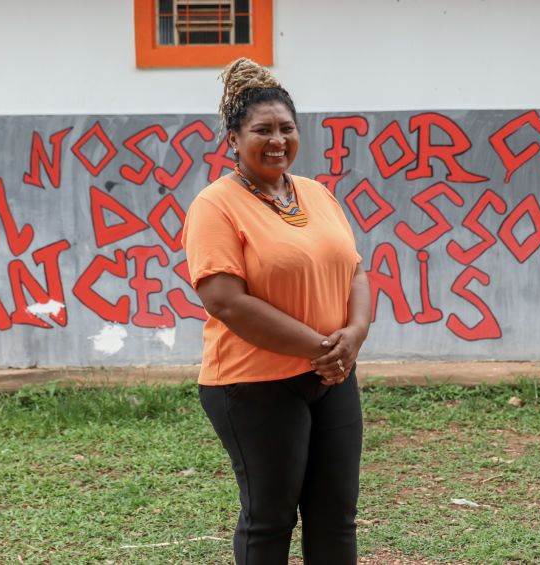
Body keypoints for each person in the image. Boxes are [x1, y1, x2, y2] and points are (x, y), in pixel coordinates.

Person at [181, 57, 371, 565]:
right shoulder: (215, 206)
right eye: (262, 130)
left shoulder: (317, 194)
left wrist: (353, 336)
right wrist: (323, 347)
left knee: (335, 516)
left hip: (332, 377)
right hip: (254, 384)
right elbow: (226, 300)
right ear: (233, 139)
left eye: (286, 128)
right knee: (270, 518)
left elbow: (355, 272)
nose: (277, 140)